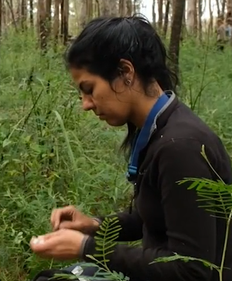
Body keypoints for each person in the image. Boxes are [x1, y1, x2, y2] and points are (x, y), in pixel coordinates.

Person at [29, 16, 232, 281]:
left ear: (126, 72)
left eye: (89, 89)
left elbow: (193, 271)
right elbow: (152, 219)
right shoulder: (163, 129)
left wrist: (86, 248)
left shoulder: (180, 147)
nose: (85, 104)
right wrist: (93, 226)